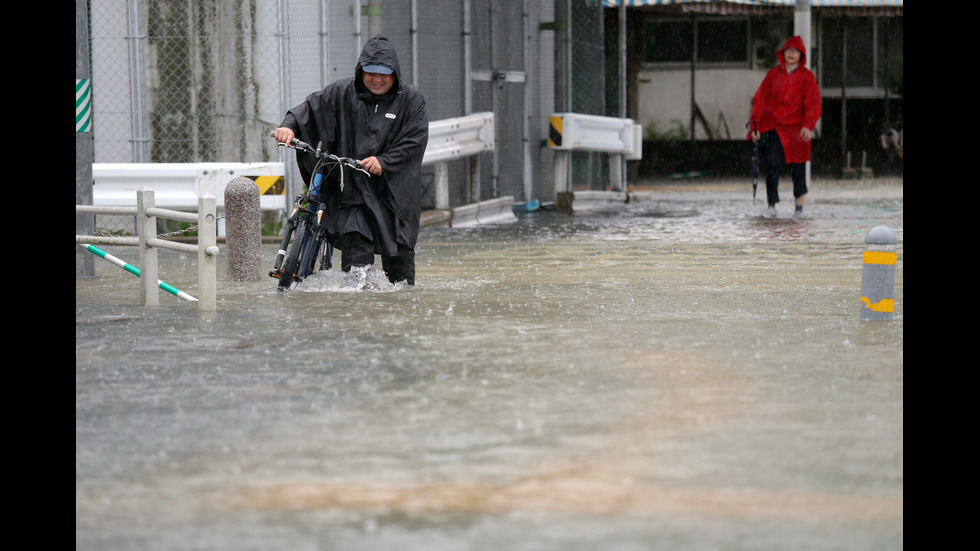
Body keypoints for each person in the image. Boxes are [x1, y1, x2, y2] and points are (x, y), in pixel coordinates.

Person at [274, 35, 428, 284]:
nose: (377, 80)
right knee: (356, 261)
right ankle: (356, 310)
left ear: (395, 74)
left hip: (394, 193)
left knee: (400, 271)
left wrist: (384, 161)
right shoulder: (343, 92)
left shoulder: (411, 99)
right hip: (353, 191)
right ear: (361, 71)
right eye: (370, 73)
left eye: (384, 74)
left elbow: (415, 139)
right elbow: (310, 109)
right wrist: (288, 127)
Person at [748, 36, 821, 219]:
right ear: (783, 53)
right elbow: (759, 100)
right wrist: (755, 125)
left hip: (797, 130)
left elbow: (813, 103)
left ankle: (799, 209)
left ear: (801, 55)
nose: (791, 54)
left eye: (795, 51)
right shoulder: (773, 74)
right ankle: (771, 206)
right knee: (772, 166)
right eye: (788, 50)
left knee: (798, 169)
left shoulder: (807, 77)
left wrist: (808, 125)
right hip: (774, 128)